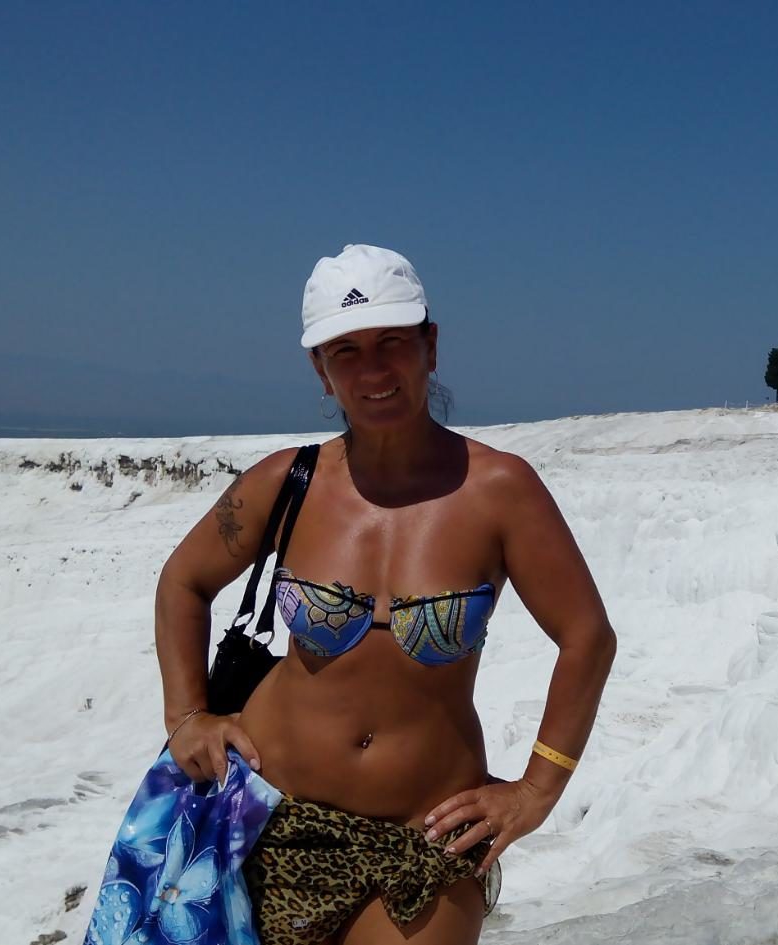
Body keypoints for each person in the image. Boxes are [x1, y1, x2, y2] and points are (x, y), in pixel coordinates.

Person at [153, 244, 617, 943]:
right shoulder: (286, 482)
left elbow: (587, 636)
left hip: (423, 840)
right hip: (267, 823)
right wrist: (187, 716)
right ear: (321, 368)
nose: (372, 370)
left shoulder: (500, 490)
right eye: (346, 351)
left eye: (392, 342)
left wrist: (536, 790)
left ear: (431, 345)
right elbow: (183, 581)